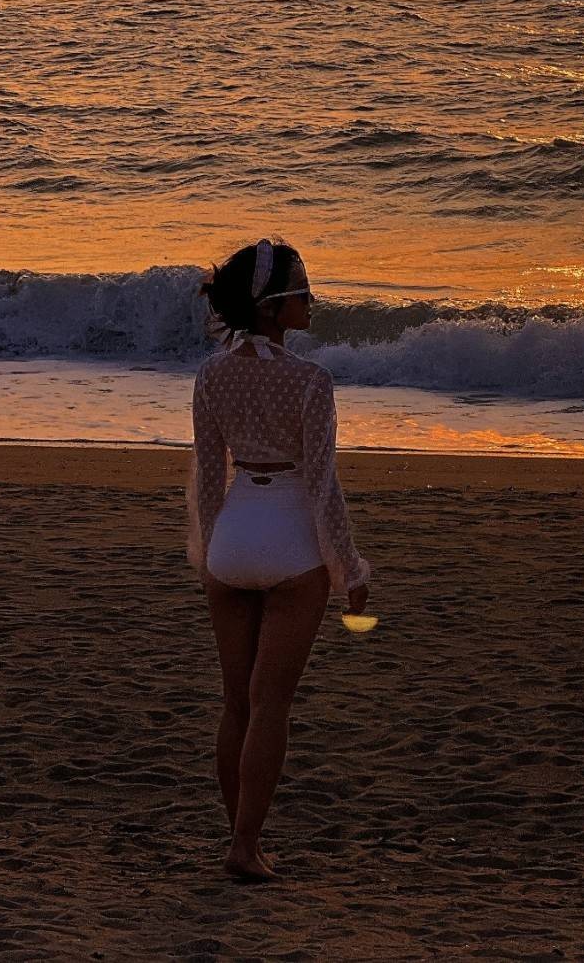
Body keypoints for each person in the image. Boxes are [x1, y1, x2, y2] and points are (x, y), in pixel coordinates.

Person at [187, 236, 372, 882]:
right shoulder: (310, 381)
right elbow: (321, 486)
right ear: (271, 309)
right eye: (299, 290)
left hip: (233, 539)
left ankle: (240, 835)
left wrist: (212, 553)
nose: (310, 300)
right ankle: (245, 844)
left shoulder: (211, 374)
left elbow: (209, 478)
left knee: (235, 703)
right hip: (292, 545)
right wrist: (350, 568)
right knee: (270, 705)